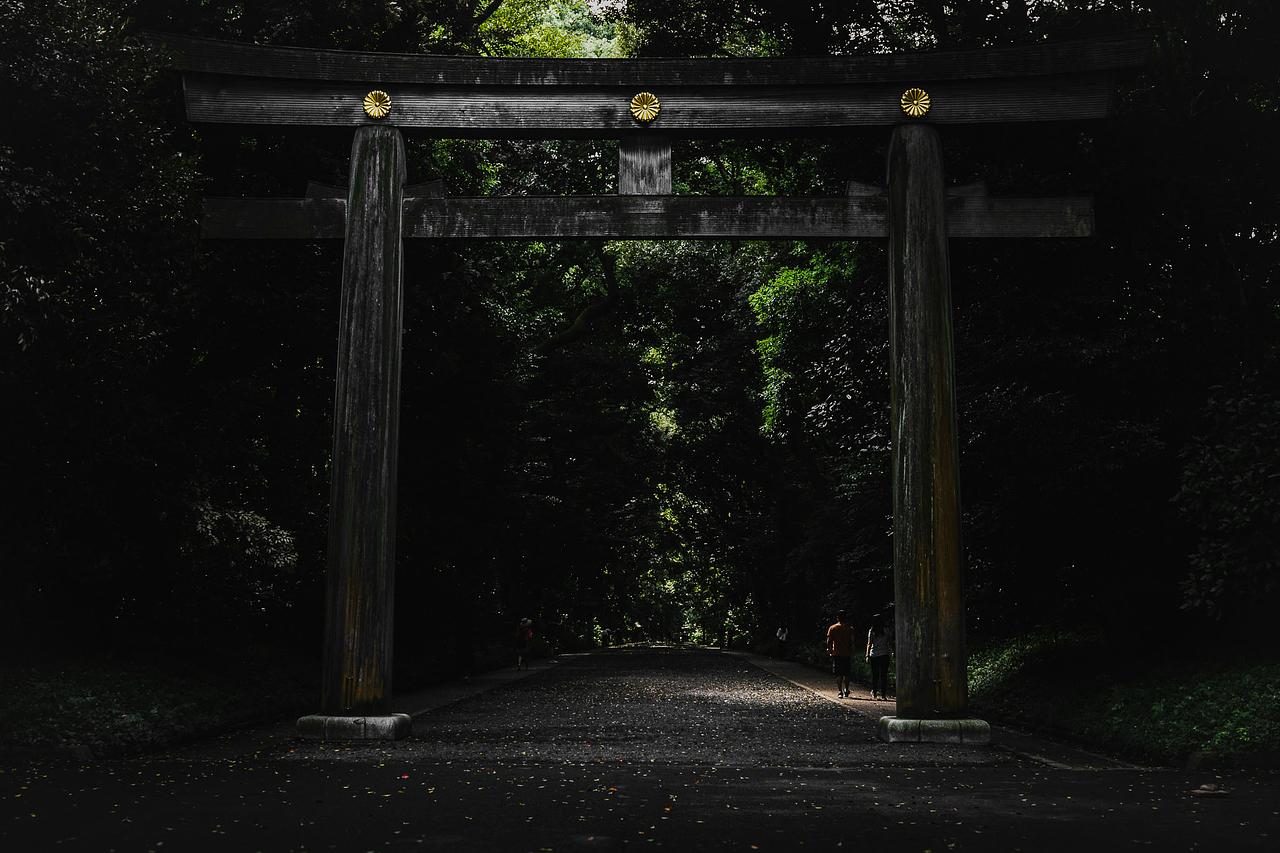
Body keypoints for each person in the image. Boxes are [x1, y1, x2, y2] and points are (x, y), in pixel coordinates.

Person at [826, 611, 855, 698]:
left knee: (838, 673)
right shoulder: (850, 628)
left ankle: (840, 691)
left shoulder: (832, 628)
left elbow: (829, 641)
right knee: (847, 673)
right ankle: (846, 689)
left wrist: (829, 650)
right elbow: (852, 642)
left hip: (836, 653)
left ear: (837, 617)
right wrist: (852, 651)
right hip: (847, 653)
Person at [866, 612, 893, 701]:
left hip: (874, 655)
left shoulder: (872, 631)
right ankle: (883, 695)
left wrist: (867, 655)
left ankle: (874, 694)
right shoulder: (886, 630)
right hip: (884, 654)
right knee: (884, 675)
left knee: (875, 675)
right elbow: (889, 641)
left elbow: (869, 644)